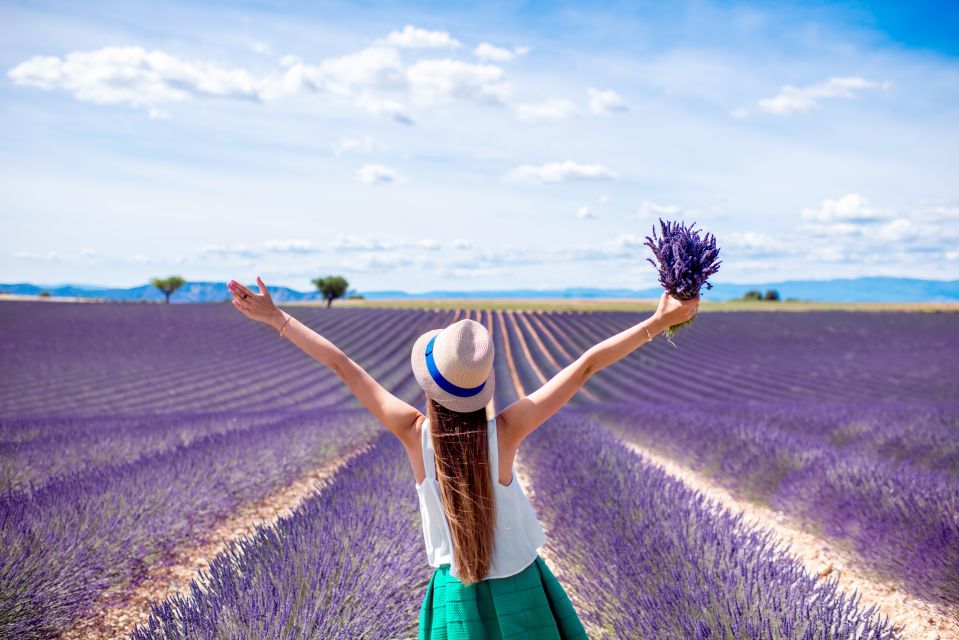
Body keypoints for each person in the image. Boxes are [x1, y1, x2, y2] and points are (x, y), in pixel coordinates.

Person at [227, 276, 699, 639]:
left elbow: (342, 365)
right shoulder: (508, 431)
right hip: (523, 587)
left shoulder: (414, 433)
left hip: (456, 597)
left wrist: (277, 319)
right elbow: (587, 366)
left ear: (431, 385)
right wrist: (658, 321)